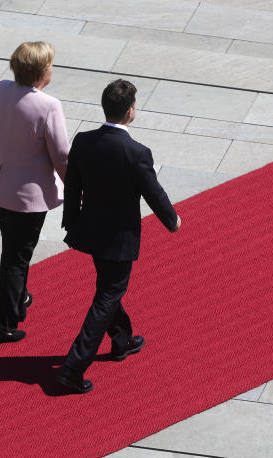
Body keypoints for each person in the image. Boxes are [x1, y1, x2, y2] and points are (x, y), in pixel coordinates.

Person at [55, 79, 181, 394]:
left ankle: (121, 340)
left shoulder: (84, 141)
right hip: (120, 238)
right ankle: (73, 366)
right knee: (108, 295)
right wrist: (172, 220)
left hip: (91, 231)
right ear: (129, 112)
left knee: (108, 286)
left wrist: (70, 223)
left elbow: (73, 185)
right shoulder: (136, 152)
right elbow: (153, 192)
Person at [0, 41, 69, 343]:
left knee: (14, 251)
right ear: (42, 72)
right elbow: (61, 155)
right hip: (27, 200)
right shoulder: (49, 106)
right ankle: (4, 323)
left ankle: (19, 299)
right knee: (16, 259)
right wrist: (76, 189)